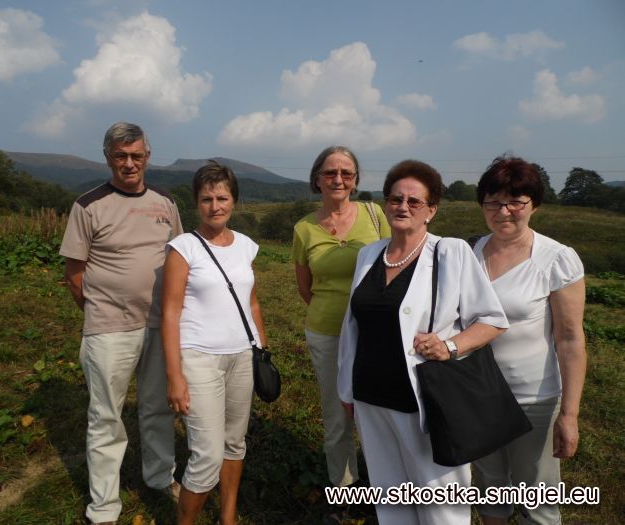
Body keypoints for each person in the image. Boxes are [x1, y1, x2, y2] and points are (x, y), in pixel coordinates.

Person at [337, 159, 508, 525]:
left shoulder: (450, 252)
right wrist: (346, 390)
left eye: (414, 201)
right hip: (370, 398)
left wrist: (449, 346)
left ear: (431, 210)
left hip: (424, 400)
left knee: (440, 506)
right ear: (386, 204)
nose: (403, 206)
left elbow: (492, 320)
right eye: (395, 199)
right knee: (391, 502)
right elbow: (354, 327)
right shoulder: (369, 255)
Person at [59, 122, 182, 525]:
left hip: (160, 324)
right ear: (107, 157)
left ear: (148, 156)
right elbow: (74, 273)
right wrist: (101, 309)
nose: (129, 164)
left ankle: (160, 477)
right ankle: (104, 508)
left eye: (136, 156)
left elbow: (179, 259)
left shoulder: (165, 202)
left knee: (158, 408)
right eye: (120, 156)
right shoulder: (88, 205)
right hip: (109, 327)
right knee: (106, 416)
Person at [471, 155, 587, 525]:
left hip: (532, 398)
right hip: (477, 395)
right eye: (493, 202)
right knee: (489, 491)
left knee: (536, 499)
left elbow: (570, 340)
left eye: (515, 202)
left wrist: (569, 415)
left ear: (533, 205)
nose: (503, 211)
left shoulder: (556, 259)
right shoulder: (469, 253)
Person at [161, 161, 268, 525]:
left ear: (234, 201)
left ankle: (228, 517)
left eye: (222, 198)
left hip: (242, 357)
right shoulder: (183, 248)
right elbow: (170, 314)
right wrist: (175, 376)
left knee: (234, 444)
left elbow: (252, 302)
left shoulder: (246, 247)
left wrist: (261, 350)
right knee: (206, 455)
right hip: (199, 358)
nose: (215, 206)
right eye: (207, 199)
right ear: (196, 202)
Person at [292, 146, 390, 522]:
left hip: (375, 333)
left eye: (346, 173)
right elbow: (306, 288)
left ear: (356, 180)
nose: (338, 179)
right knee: (336, 418)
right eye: (330, 172)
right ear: (316, 179)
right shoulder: (304, 229)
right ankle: (344, 493)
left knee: (378, 414)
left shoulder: (375, 215)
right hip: (326, 333)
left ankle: (386, 491)